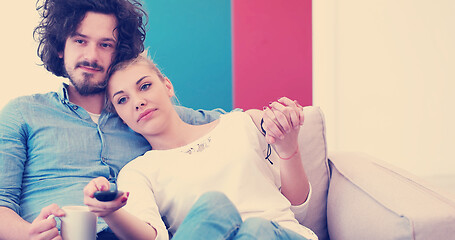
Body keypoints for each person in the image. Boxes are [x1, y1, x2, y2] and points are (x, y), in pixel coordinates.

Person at [0, 1, 227, 239]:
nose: (91, 56)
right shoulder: (22, 113)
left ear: (118, 54)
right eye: (80, 41)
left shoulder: (142, 112)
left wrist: (267, 120)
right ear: (60, 47)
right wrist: (27, 234)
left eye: (105, 44)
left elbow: (233, 123)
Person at [83, 54, 318, 240]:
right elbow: (152, 236)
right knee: (213, 206)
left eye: (144, 86)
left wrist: (288, 150)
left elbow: (299, 208)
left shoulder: (241, 124)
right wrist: (110, 212)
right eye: (122, 100)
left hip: (282, 233)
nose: (138, 102)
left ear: (167, 86)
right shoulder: (138, 172)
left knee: (255, 227)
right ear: (121, 117)